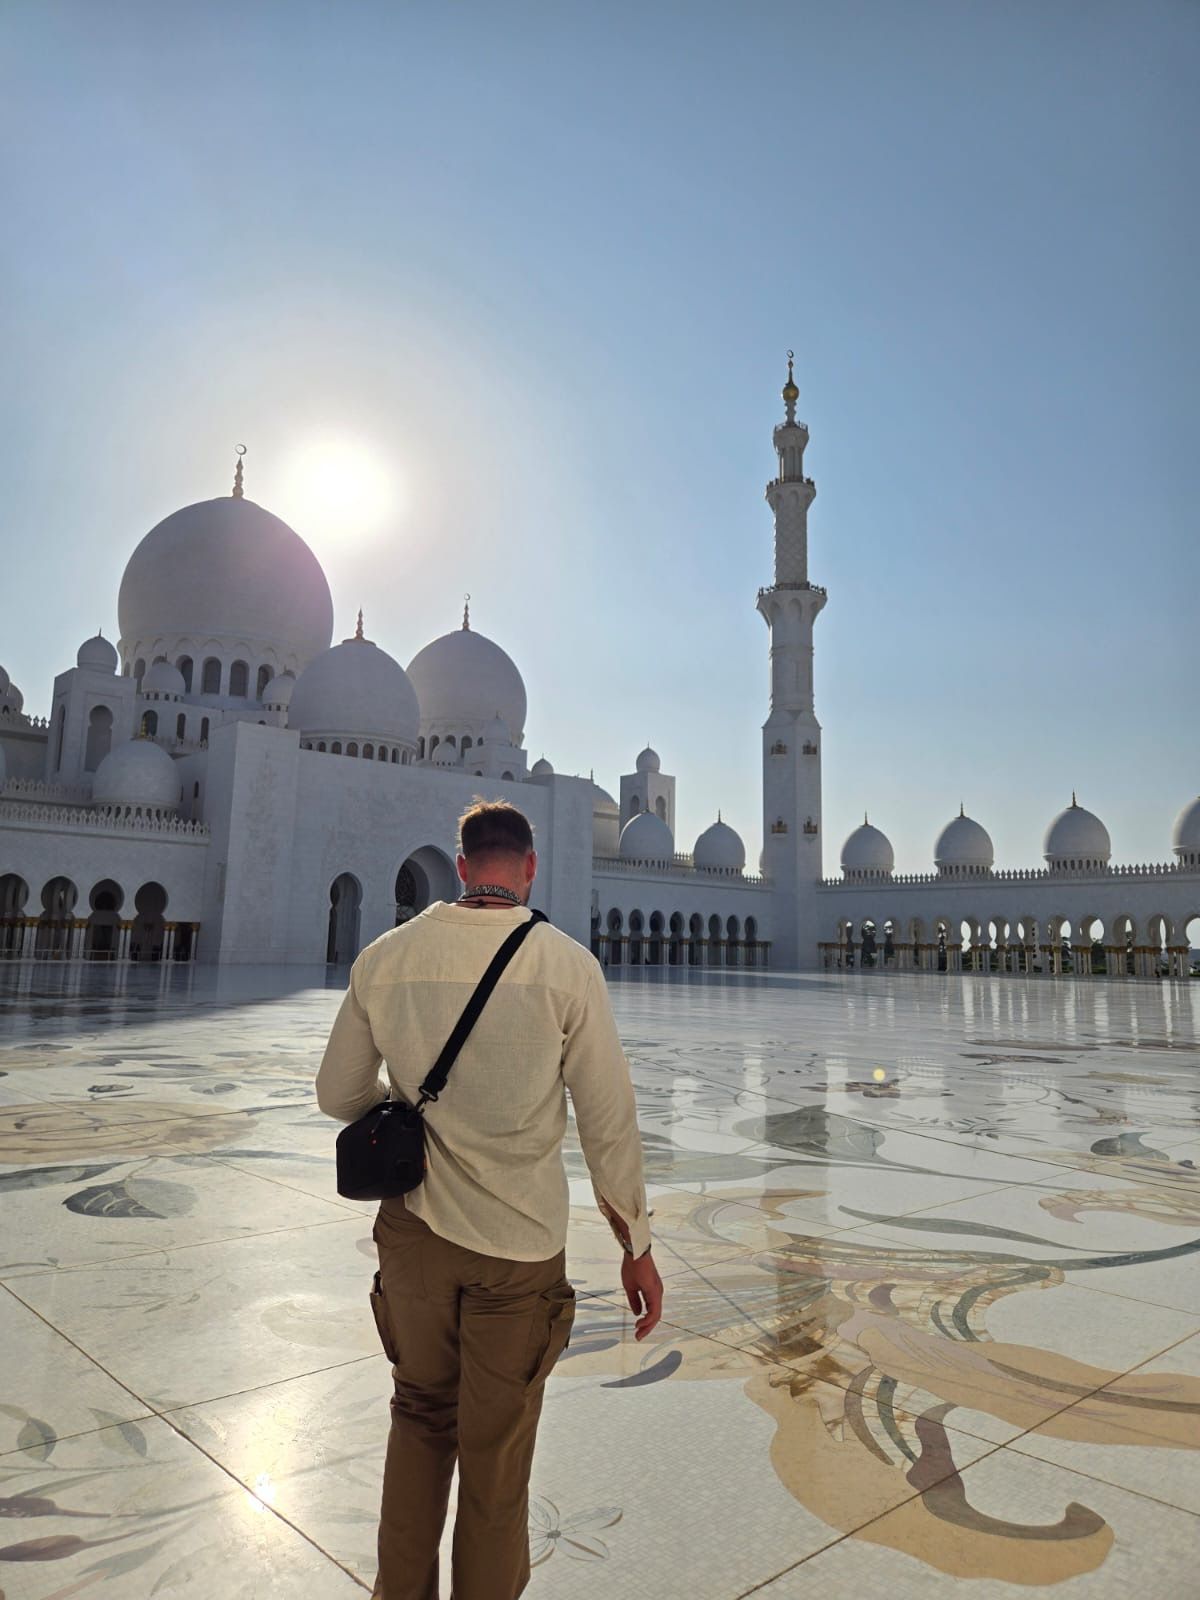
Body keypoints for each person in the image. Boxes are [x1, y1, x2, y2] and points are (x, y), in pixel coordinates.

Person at [316, 800, 661, 1600]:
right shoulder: (567, 966)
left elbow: (337, 1094)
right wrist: (635, 1245)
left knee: (419, 1419)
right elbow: (608, 1123)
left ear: (464, 865)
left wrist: (397, 1107)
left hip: (413, 1239)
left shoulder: (386, 956)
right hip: (519, 1250)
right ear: (530, 868)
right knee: (496, 1454)